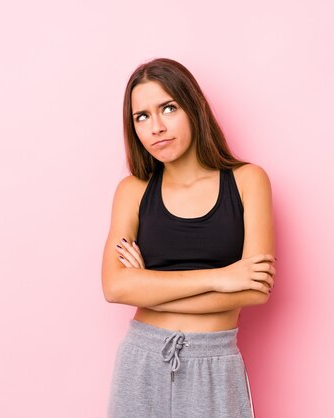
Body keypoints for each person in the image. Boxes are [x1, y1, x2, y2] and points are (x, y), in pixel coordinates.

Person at [102, 57, 276, 418]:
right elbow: (115, 288)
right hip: (142, 360)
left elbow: (255, 289)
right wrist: (222, 278)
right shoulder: (133, 191)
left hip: (215, 362)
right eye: (142, 117)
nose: (157, 127)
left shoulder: (247, 181)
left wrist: (148, 285)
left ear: (193, 107)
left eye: (168, 108)